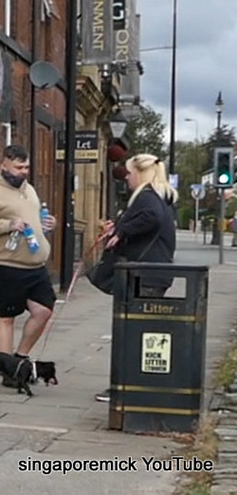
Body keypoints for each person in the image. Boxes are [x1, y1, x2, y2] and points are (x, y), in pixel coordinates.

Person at [94, 153, 177, 403]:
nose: (127, 178)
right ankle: (137, 384)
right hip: (153, 274)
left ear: (140, 173)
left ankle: (125, 386)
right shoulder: (159, 196)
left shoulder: (147, 196)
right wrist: (118, 228)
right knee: (140, 333)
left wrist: (121, 231)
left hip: (145, 275)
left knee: (131, 333)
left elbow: (151, 217)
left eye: (129, 173)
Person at [0, 145, 58, 373]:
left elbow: (33, 218)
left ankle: (20, 357)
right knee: (7, 316)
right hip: (6, 264)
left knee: (44, 310)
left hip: (35, 265)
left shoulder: (30, 190)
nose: (24, 172)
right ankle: (7, 368)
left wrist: (47, 224)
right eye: (19, 167)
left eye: (26, 167)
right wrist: (7, 225)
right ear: (4, 165)